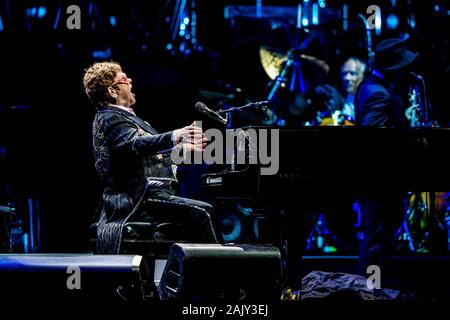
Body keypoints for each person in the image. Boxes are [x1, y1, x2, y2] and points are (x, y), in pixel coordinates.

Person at [83, 61, 219, 254]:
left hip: (151, 195)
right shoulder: (110, 117)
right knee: (204, 212)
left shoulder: (127, 119)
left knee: (200, 212)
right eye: (123, 79)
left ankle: (192, 277)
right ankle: (219, 278)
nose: (130, 80)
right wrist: (176, 135)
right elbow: (135, 144)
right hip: (136, 199)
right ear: (112, 91)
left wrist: (182, 150)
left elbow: (149, 157)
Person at [354, 38, 417, 276]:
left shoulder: (372, 86)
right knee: (376, 241)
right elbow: (374, 138)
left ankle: (373, 288)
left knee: (379, 238)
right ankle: (368, 291)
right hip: (378, 179)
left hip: (378, 179)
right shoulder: (378, 93)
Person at [313, 57, 366, 125]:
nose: (347, 78)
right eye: (344, 73)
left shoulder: (370, 98)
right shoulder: (336, 95)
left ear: (362, 75)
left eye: (352, 73)